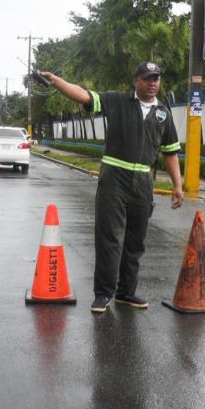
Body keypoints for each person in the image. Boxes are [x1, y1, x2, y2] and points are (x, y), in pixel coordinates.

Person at [40, 61, 184, 313]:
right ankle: (103, 294)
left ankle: (126, 293)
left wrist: (178, 185)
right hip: (114, 178)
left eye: (156, 79)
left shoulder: (163, 113)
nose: (153, 84)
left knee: (135, 242)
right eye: (147, 78)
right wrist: (56, 81)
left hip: (142, 182)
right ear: (135, 81)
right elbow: (84, 95)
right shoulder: (118, 101)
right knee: (109, 238)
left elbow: (170, 152)